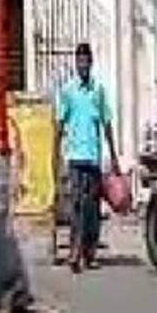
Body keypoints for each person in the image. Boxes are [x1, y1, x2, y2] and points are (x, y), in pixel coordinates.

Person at [56, 42, 117, 271]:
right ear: (76, 63)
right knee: (77, 204)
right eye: (79, 61)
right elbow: (61, 123)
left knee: (92, 206)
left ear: (91, 63)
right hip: (75, 156)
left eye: (85, 61)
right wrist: (56, 153)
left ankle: (89, 251)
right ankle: (75, 251)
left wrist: (113, 154)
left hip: (93, 155)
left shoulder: (98, 90)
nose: (82, 65)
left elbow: (106, 122)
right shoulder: (69, 91)